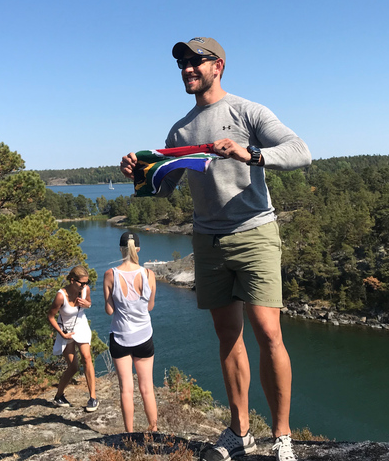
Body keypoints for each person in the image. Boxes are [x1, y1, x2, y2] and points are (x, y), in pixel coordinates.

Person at [120, 37, 311, 461]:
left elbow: (300, 152)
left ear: (217, 66)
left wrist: (251, 153)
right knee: (228, 337)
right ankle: (239, 430)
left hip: (254, 233)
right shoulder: (181, 129)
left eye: (194, 62)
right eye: (182, 64)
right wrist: (138, 171)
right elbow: (161, 188)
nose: (187, 69)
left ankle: (282, 437)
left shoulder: (247, 111)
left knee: (270, 334)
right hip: (207, 241)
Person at [102, 231, 158, 432]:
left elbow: (109, 310)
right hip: (144, 336)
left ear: (120, 249)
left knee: (126, 389)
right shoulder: (149, 274)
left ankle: (130, 434)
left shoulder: (111, 274)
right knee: (147, 388)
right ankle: (153, 429)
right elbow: (149, 307)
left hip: (120, 336)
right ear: (138, 249)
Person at [47, 265, 98, 412]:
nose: (85, 285)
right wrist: (61, 333)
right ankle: (59, 396)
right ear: (72, 280)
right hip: (66, 330)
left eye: (86, 283)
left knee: (87, 358)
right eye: (82, 283)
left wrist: (87, 304)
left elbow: (88, 303)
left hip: (81, 325)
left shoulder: (85, 290)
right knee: (73, 367)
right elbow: (50, 316)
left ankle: (93, 398)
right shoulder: (61, 295)